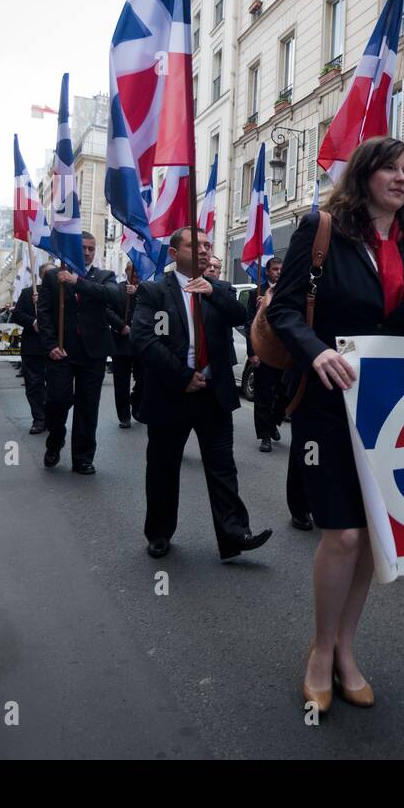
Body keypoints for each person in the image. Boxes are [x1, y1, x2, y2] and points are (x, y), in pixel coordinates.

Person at [269, 136, 404, 715]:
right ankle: (320, 653)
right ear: (365, 175)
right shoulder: (321, 228)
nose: (403, 178)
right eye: (391, 169)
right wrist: (314, 349)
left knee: (373, 540)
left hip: (384, 408)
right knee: (344, 534)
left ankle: (348, 650)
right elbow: (281, 308)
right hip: (327, 403)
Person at [130, 226, 273, 562]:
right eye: (196, 245)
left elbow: (242, 317)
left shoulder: (219, 289)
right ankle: (160, 533)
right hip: (171, 394)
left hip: (213, 394)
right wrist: (182, 377)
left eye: (208, 245)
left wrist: (212, 293)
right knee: (163, 468)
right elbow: (145, 340)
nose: (205, 250)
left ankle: (234, 534)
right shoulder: (154, 293)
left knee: (223, 467)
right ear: (174, 253)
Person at [35, 231, 122, 475]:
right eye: (82, 247)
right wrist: (50, 345)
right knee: (57, 401)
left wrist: (77, 282)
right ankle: (56, 437)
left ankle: (82, 457)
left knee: (87, 407)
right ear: (73, 248)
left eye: (91, 248)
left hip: (93, 353)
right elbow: (44, 313)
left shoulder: (105, 276)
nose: (86, 252)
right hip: (61, 352)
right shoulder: (53, 276)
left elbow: (114, 296)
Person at [245, 256, 284, 452]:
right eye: (275, 269)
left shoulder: (287, 291)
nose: (278, 272)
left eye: (281, 269)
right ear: (267, 271)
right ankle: (265, 436)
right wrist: (252, 352)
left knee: (283, 393)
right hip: (263, 351)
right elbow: (249, 323)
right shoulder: (256, 293)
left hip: (283, 353)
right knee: (263, 395)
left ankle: (274, 421)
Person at [11, 264, 52, 433]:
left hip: (54, 346)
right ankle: (39, 418)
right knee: (34, 384)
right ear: (41, 276)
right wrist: (33, 322)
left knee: (55, 385)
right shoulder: (28, 293)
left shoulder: (63, 294)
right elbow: (17, 314)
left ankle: (52, 417)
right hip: (33, 347)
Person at [108, 261, 143, 428]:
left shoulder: (147, 290)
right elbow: (107, 310)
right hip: (120, 343)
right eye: (133, 271)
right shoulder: (116, 289)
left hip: (142, 344)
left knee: (144, 380)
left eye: (138, 271)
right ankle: (124, 416)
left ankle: (136, 403)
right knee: (121, 382)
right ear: (126, 271)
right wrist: (121, 326)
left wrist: (137, 294)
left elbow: (158, 312)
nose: (136, 274)